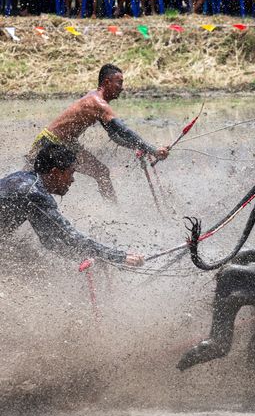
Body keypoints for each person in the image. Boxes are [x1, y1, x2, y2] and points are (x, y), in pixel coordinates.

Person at [25, 64, 169, 203]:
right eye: (119, 83)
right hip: (49, 142)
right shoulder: (97, 103)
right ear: (107, 82)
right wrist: (152, 149)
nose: (122, 88)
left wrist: (137, 147)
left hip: (68, 144)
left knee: (101, 173)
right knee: (31, 181)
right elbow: (123, 130)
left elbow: (114, 135)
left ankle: (113, 213)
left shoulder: (98, 102)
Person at [1, 143, 144, 267]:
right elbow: (69, 235)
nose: (72, 180)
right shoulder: (34, 194)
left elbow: (49, 240)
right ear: (55, 173)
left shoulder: (21, 178)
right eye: (70, 173)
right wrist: (118, 257)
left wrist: (88, 257)